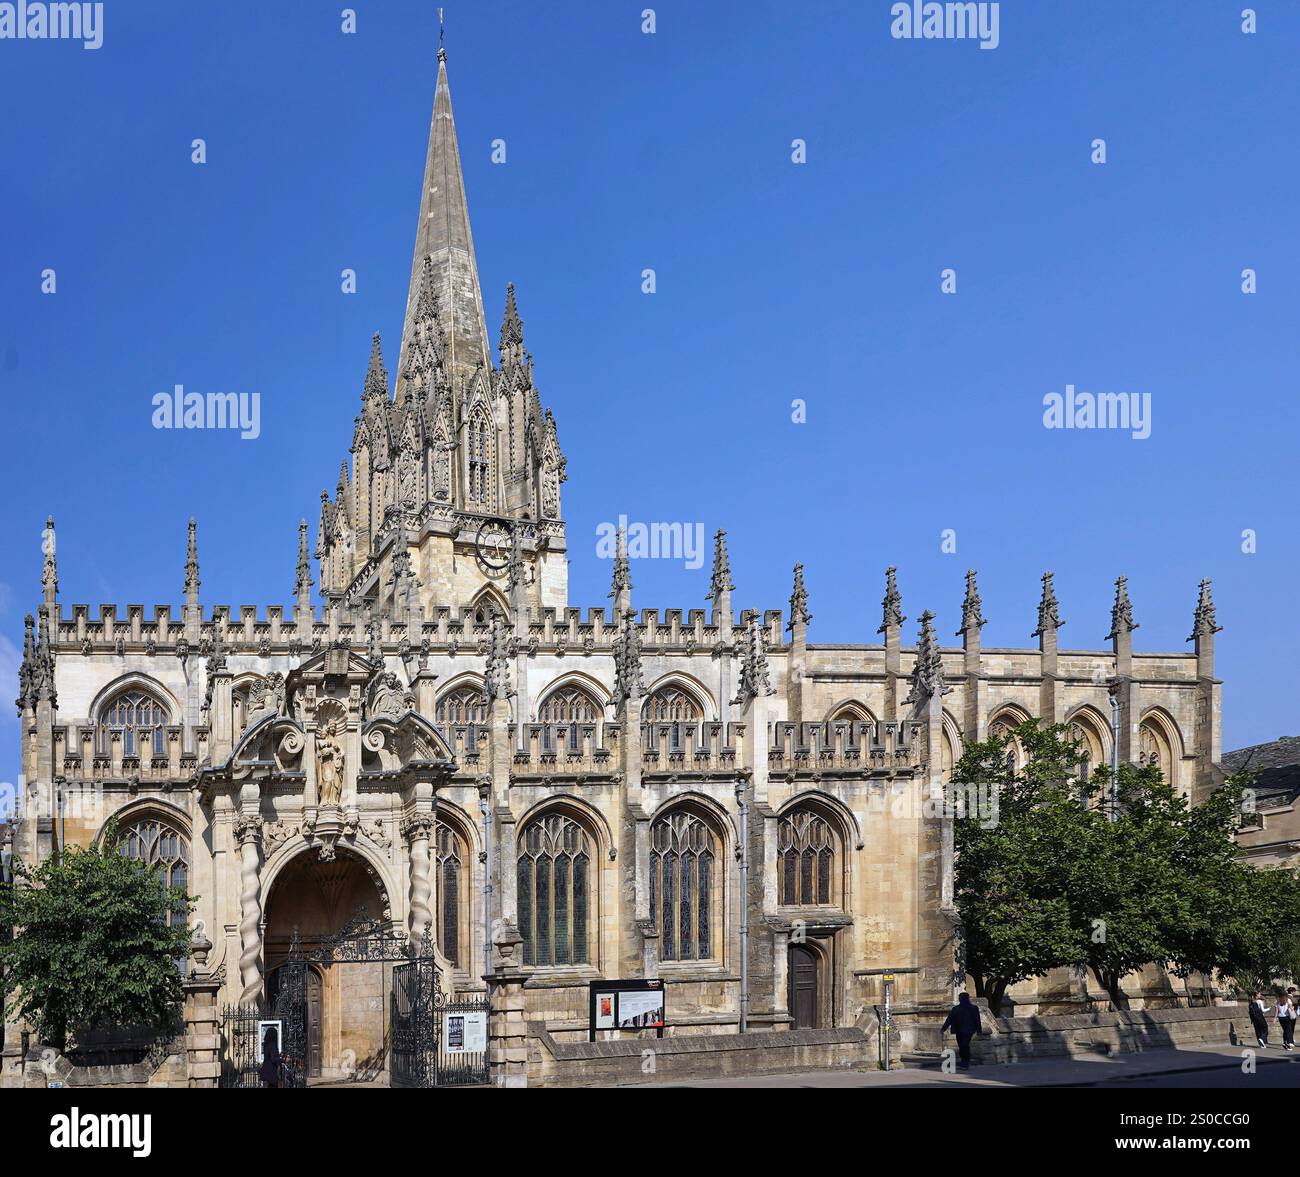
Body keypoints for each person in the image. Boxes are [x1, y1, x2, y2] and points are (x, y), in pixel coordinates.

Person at [940, 992, 982, 1070]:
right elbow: (949, 1019)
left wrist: (979, 1029)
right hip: (959, 1030)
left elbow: (977, 1019)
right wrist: (944, 1028)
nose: (960, 999)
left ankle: (966, 1062)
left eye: (961, 998)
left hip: (968, 1030)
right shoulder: (956, 1009)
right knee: (961, 1046)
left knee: (964, 1045)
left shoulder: (973, 1008)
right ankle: (964, 1061)